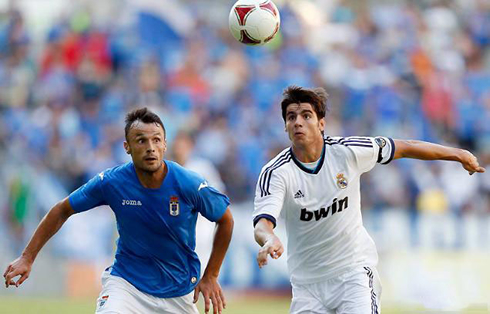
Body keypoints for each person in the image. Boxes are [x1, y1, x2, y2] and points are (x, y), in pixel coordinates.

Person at [252, 86, 485, 314]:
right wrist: (269, 239)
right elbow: (263, 223)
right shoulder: (275, 172)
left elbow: (405, 147)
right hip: (307, 286)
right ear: (285, 126)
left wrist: (458, 154)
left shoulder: (348, 151)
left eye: (306, 115)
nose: (298, 122)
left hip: (353, 274)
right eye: (291, 117)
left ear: (321, 124)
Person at [4, 108, 234, 314]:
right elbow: (62, 209)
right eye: (141, 141)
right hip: (127, 286)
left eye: (156, 140)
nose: (150, 148)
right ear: (127, 147)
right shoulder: (112, 182)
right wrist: (27, 257)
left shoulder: (187, 182)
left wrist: (211, 275)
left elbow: (225, 219)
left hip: (177, 292)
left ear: (165, 144)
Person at [172, 131, 227, 274]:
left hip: (201, 224)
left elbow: (219, 193)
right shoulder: (169, 169)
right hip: (178, 226)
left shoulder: (202, 167)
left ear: (190, 146)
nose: (179, 148)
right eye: (177, 145)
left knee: (202, 266)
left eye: (182, 145)